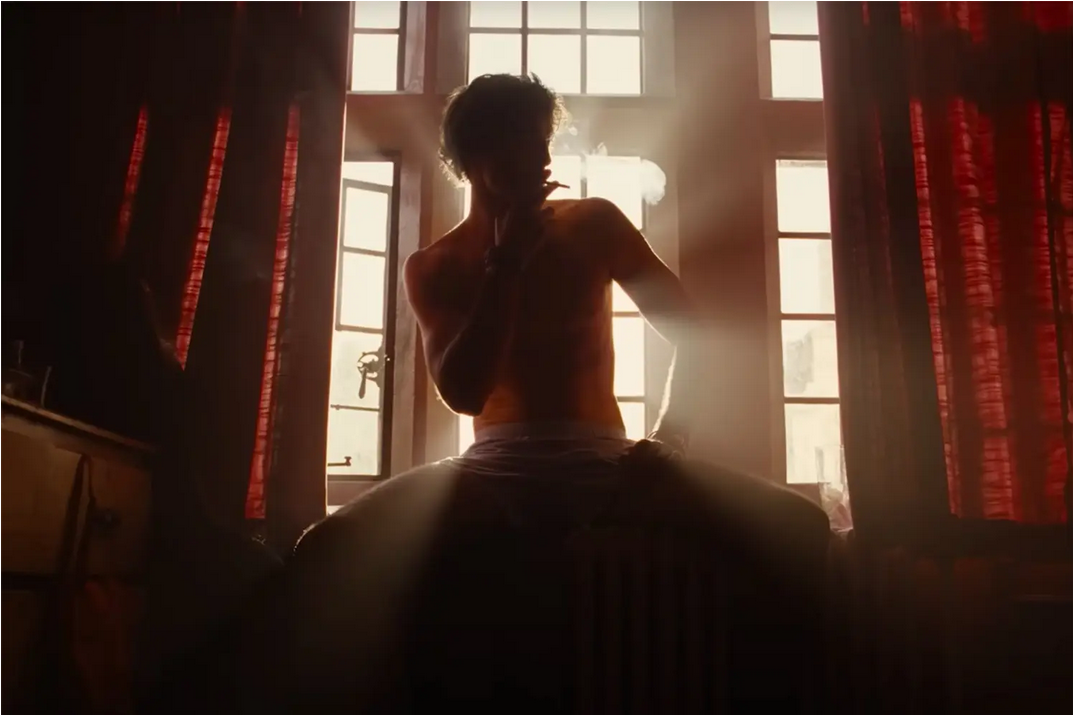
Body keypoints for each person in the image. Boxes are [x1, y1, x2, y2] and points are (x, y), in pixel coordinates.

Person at [404, 73, 699, 463]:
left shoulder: (595, 222)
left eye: (544, 142)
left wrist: (671, 436)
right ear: (476, 154)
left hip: (602, 453)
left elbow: (693, 330)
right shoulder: (433, 266)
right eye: (526, 142)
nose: (544, 160)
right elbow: (464, 395)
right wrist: (507, 261)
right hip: (495, 463)